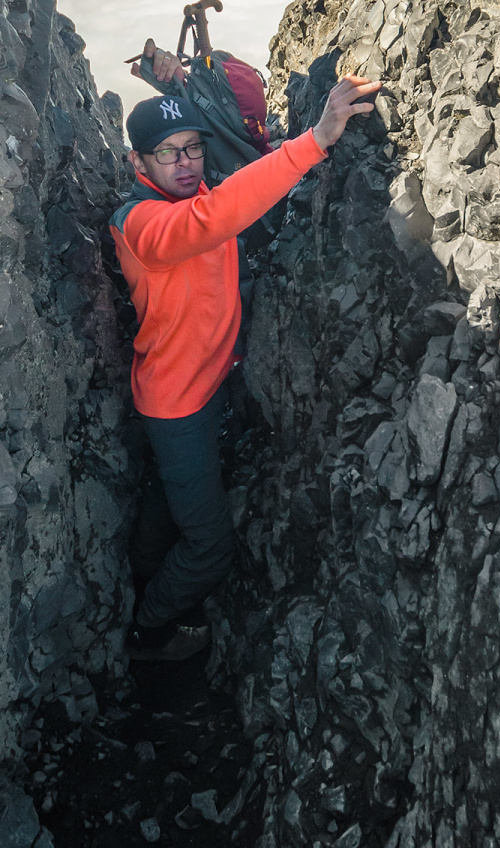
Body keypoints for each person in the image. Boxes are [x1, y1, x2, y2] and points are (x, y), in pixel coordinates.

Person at [110, 41, 381, 661]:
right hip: (175, 405)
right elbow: (215, 221)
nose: (187, 162)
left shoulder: (194, 190)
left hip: (197, 393)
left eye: (194, 147)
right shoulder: (142, 223)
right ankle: (147, 632)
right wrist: (316, 139)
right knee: (209, 545)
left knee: (164, 502)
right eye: (169, 154)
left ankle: (142, 575)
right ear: (137, 162)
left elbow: (223, 211)